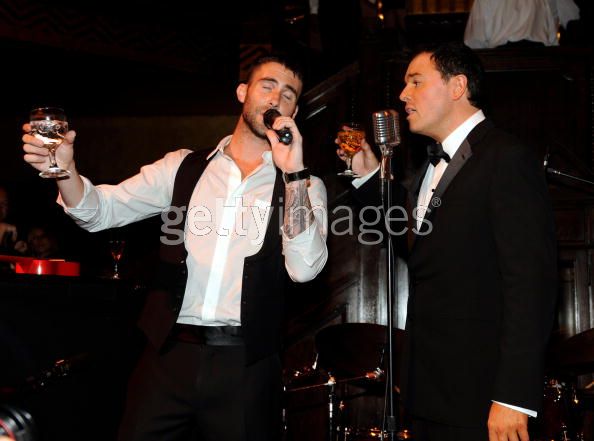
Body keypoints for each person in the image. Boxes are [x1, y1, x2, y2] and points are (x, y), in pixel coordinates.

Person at [22, 54, 328, 441]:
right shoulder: (183, 166)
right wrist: (66, 172)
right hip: (169, 354)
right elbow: (101, 211)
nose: (275, 98)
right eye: (267, 85)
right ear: (243, 92)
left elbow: (304, 269)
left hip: (245, 364)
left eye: (288, 94)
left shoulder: (305, 186)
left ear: (294, 112)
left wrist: (294, 173)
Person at [338, 42, 556, 441]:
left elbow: (531, 285)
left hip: (481, 396)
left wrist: (513, 396)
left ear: (457, 86)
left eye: (416, 82)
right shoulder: (428, 166)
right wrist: (369, 177)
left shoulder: (506, 157)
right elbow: (413, 244)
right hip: (427, 391)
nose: (403, 94)